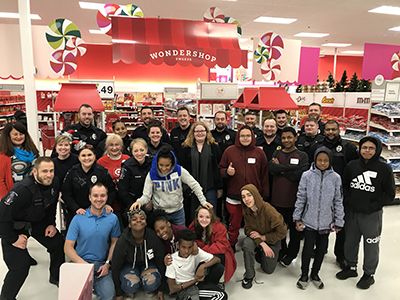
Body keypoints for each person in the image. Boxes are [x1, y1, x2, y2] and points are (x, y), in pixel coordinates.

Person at [0, 157, 65, 300]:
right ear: (34, 172)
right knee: (20, 267)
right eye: (44, 171)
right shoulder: (22, 190)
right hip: (14, 228)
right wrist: (13, 239)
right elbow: (2, 216)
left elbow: (51, 206)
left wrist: (51, 224)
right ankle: (6, 297)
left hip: (37, 222)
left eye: (51, 171)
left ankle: (56, 276)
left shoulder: (54, 182)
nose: (49, 175)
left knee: (57, 242)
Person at [336, 136, 395, 290]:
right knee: (350, 242)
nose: (367, 151)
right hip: (352, 212)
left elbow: (389, 194)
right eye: (364, 148)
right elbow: (345, 186)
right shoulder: (352, 166)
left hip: (372, 215)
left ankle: (369, 274)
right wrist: (348, 201)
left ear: (377, 150)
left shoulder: (384, 169)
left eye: (371, 148)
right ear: (359, 149)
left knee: (371, 245)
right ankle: (351, 267)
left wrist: (373, 206)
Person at [309, 119, 359, 269]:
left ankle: (340, 255)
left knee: (340, 226)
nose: (331, 132)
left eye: (334, 129)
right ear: (324, 131)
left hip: (340, 193)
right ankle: (321, 249)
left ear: (339, 130)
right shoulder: (316, 146)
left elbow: (354, 169)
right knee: (320, 223)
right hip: (320, 193)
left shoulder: (348, 147)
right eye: (328, 129)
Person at [293, 147, 344, 290]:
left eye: (325, 160)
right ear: (315, 160)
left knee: (321, 250)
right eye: (319, 160)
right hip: (308, 220)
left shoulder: (336, 178)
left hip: (326, 223)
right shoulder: (307, 175)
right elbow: (301, 197)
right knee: (307, 249)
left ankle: (315, 274)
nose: (322, 163)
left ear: (330, 161)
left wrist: (339, 221)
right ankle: (304, 274)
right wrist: (297, 218)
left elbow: (338, 200)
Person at [64, 183, 120, 300]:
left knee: (108, 296)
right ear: (90, 197)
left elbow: (115, 242)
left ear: (107, 197)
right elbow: (68, 247)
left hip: (101, 265)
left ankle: (95, 284)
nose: (99, 199)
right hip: (80, 263)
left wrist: (107, 264)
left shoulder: (113, 218)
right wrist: (82, 264)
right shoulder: (78, 218)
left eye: (102, 195)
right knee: (71, 296)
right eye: (95, 196)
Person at [130, 147, 213, 226]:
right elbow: (146, 196)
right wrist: (139, 202)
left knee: (181, 237)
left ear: (172, 163)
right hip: (160, 213)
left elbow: (194, 185)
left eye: (167, 165)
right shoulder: (151, 174)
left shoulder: (179, 170)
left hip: (178, 212)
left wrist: (203, 201)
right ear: (156, 163)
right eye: (161, 165)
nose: (164, 168)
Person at [219, 125, 269, 252]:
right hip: (234, 194)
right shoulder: (229, 151)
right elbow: (220, 169)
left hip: (254, 196)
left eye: (248, 135)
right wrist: (226, 172)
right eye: (242, 136)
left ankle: (255, 244)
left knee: (254, 223)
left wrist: (265, 193)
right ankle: (231, 243)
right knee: (234, 223)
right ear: (238, 137)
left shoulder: (259, 152)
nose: (245, 138)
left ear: (252, 137)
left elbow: (264, 174)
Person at [269, 127, 309, 266]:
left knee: (295, 231)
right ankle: (282, 250)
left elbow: (301, 174)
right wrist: (290, 168)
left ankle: (292, 254)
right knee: (279, 229)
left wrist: (282, 169)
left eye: (289, 137)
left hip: (295, 202)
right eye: (284, 138)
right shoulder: (277, 152)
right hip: (277, 200)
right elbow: (272, 169)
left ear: (295, 137)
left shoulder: (302, 155)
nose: (286, 140)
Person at [240, 184, 287, 289]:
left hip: (272, 239)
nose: (246, 199)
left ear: (255, 195)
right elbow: (247, 230)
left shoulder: (269, 210)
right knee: (247, 244)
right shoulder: (246, 210)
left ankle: (261, 253)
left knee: (268, 270)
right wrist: (261, 242)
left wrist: (264, 238)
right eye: (243, 197)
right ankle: (249, 275)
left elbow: (282, 232)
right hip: (258, 239)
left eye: (249, 195)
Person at [112, 209, 166, 300]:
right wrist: (119, 293)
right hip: (129, 265)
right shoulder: (122, 241)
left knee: (152, 282)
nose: (138, 220)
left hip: (148, 264)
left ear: (145, 222)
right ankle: (130, 291)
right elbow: (115, 266)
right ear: (129, 224)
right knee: (129, 285)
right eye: (134, 219)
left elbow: (161, 261)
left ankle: (148, 289)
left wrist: (161, 289)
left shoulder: (153, 237)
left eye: (142, 218)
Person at [61, 145, 117, 227]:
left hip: (99, 213)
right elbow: (66, 194)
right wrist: (76, 208)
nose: (87, 158)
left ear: (94, 156)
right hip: (78, 213)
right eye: (83, 155)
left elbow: (112, 190)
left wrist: (108, 204)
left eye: (89, 155)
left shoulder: (102, 171)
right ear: (79, 158)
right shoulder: (72, 172)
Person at [166, 229, 227, 300]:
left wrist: (203, 266)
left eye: (189, 247)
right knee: (220, 295)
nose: (186, 251)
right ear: (178, 246)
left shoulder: (195, 252)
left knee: (219, 268)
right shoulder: (171, 260)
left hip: (197, 286)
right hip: (184, 290)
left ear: (193, 246)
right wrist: (195, 280)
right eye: (183, 247)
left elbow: (217, 259)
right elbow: (172, 288)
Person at [180, 121, 223, 220]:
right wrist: (186, 187)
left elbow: (218, 168)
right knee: (194, 213)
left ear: (207, 132)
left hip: (210, 186)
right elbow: (183, 169)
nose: (200, 133)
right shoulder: (186, 148)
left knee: (211, 213)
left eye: (202, 131)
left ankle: (211, 234)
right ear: (192, 133)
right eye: (197, 131)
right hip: (191, 188)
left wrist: (220, 187)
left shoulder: (214, 147)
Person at [188, 206, 237, 283]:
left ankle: (220, 280)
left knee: (220, 262)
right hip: (203, 251)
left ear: (212, 217)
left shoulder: (220, 227)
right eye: (201, 216)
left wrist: (201, 250)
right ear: (196, 217)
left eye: (207, 217)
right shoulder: (193, 226)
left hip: (217, 253)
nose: (204, 220)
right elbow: (190, 240)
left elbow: (221, 247)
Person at [97, 134, 130, 229]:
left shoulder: (127, 159)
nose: (114, 148)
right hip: (109, 203)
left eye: (117, 144)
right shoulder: (101, 162)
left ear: (121, 146)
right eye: (111, 145)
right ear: (107, 147)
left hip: (125, 201)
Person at [210, 111, 236, 222]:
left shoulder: (233, 135)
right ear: (214, 121)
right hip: (213, 172)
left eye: (222, 119)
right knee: (216, 199)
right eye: (217, 119)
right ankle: (217, 221)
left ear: (226, 120)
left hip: (230, 172)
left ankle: (229, 222)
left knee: (229, 199)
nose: (220, 121)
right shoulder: (209, 135)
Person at [118, 138, 152, 213]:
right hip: (131, 203)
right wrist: (134, 205)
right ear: (132, 152)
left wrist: (152, 201)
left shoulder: (152, 163)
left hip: (149, 202)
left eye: (142, 150)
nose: (139, 153)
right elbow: (122, 190)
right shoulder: (127, 166)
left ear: (146, 150)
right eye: (136, 151)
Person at [0, 122, 39, 188]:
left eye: (21, 134)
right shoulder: (4, 154)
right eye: (15, 134)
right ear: (8, 136)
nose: (19, 137)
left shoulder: (31, 149)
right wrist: (6, 197)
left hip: (33, 190)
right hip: (15, 192)